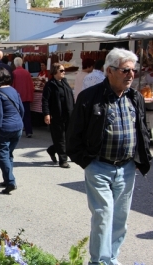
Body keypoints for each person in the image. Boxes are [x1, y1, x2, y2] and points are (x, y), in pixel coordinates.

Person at [67, 48, 152, 265]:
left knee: (120, 221)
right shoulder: (90, 97)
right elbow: (74, 133)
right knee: (103, 216)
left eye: (133, 70)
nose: (131, 74)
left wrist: (144, 154)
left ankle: (112, 257)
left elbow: (142, 128)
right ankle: (99, 261)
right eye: (125, 70)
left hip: (127, 168)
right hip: (99, 166)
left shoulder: (135, 97)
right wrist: (86, 161)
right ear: (109, 71)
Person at [0, 67, 24, 194]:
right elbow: (22, 109)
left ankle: (10, 182)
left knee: (3, 154)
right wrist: (19, 122)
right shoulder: (14, 90)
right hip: (17, 127)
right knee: (8, 154)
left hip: (4, 128)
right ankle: (7, 178)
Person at [42, 63, 74, 169]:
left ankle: (52, 149)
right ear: (55, 72)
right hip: (56, 115)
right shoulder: (50, 84)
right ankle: (63, 160)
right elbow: (45, 100)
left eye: (64, 70)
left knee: (68, 137)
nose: (64, 72)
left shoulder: (64, 82)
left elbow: (70, 97)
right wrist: (46, 113)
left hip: (68, 114)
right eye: (61, 70)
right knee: (60, 138)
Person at [12, 57, 34, 138]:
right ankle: (29, 131)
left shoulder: (14, 73)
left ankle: (17, 131)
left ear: (15, 64)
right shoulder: (27, 73)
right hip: (26, 96)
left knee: (17, 115)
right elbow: (31, 85)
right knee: (27, 114)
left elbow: (12, 86)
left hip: (17, 97)